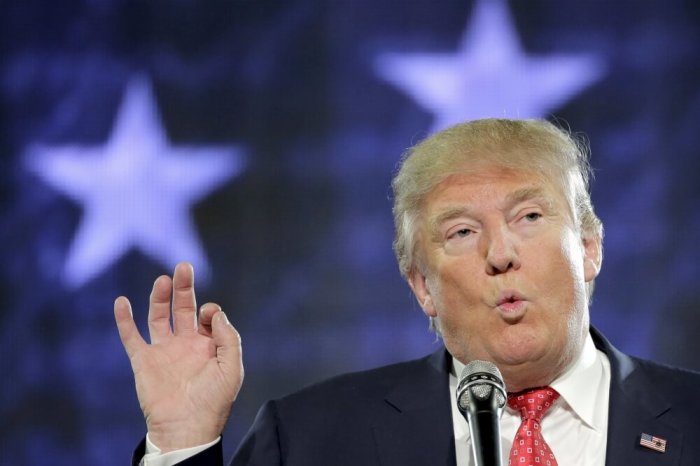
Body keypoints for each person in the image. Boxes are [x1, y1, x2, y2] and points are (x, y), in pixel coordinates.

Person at [115, 118, 700, 465]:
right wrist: (181, 444)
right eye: (463, 232)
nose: (501, 254)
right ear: (422, 285)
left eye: (529, 216)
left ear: (590, 248)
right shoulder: (313, 440)